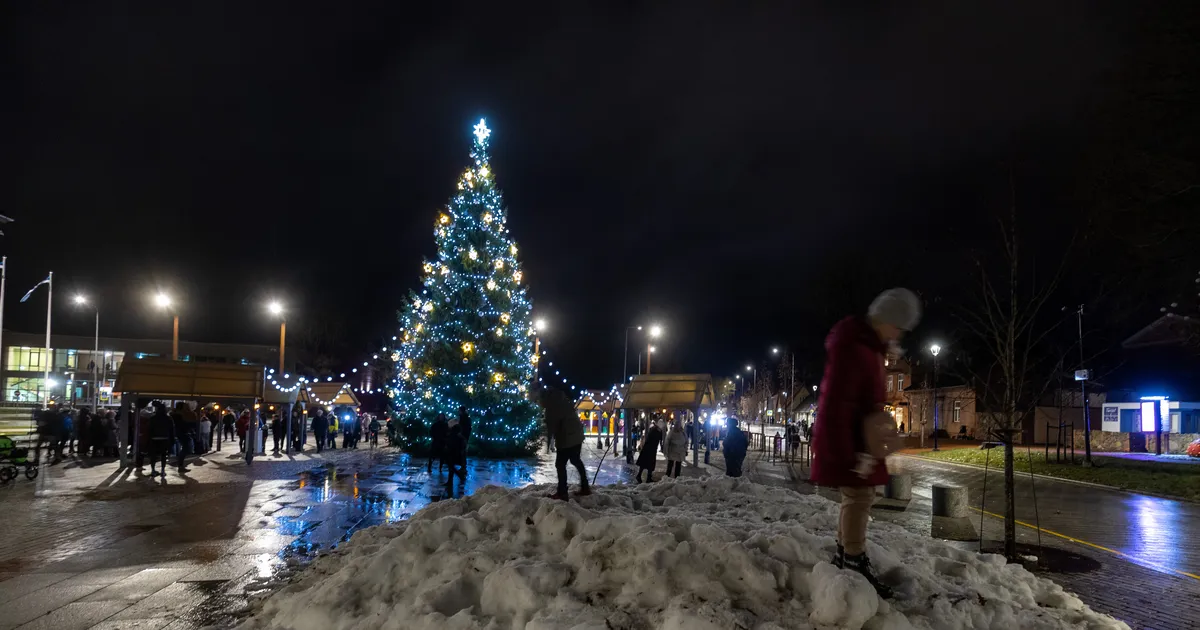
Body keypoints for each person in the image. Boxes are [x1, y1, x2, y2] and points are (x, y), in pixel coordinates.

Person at [811, 287, 920, 599]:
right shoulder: (857, 350)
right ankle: (853, 559)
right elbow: (839, 404)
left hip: (858, 440)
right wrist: (849, 453)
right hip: (852, 442)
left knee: (858, 497)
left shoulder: (865, 348)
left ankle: (846, 553)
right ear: (886, 320)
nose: (898, 334)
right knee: (859, 497)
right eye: (897, 327)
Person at [539, 385, 588, 499]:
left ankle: (562, 493)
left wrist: (548, 445)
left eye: (539, 401)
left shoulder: (552, 406)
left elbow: (551, 427)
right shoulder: (561, 399)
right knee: (575, 460)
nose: (539, 404)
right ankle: (585, 487)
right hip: (576, 435)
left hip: (567, 437)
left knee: (560, 464)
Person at [148, 401, 175, 477]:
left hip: (154, 439)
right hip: (165, 438)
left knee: (153, 455)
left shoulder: (153, 418)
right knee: (163, 455)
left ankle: (153, 470)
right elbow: (172, 430)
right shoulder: (168, 418)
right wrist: (172, 440)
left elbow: (149, 429)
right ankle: (162, 471)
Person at [635, 415, 663, 483]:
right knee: (647, 463)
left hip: (650, 449)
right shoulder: (654, 430)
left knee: (648, 464)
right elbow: (652, 439)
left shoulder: (656, 430)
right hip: (649, 449)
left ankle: (647, 477)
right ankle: (643, 476)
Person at [172, 402, 197, 473]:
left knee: (187, 448)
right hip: (182, 433)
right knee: (187, 448)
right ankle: (180, 465)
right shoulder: (178, 415)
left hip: (182, 433)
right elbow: (184, 424)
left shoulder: (177, 414)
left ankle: (180, 464)